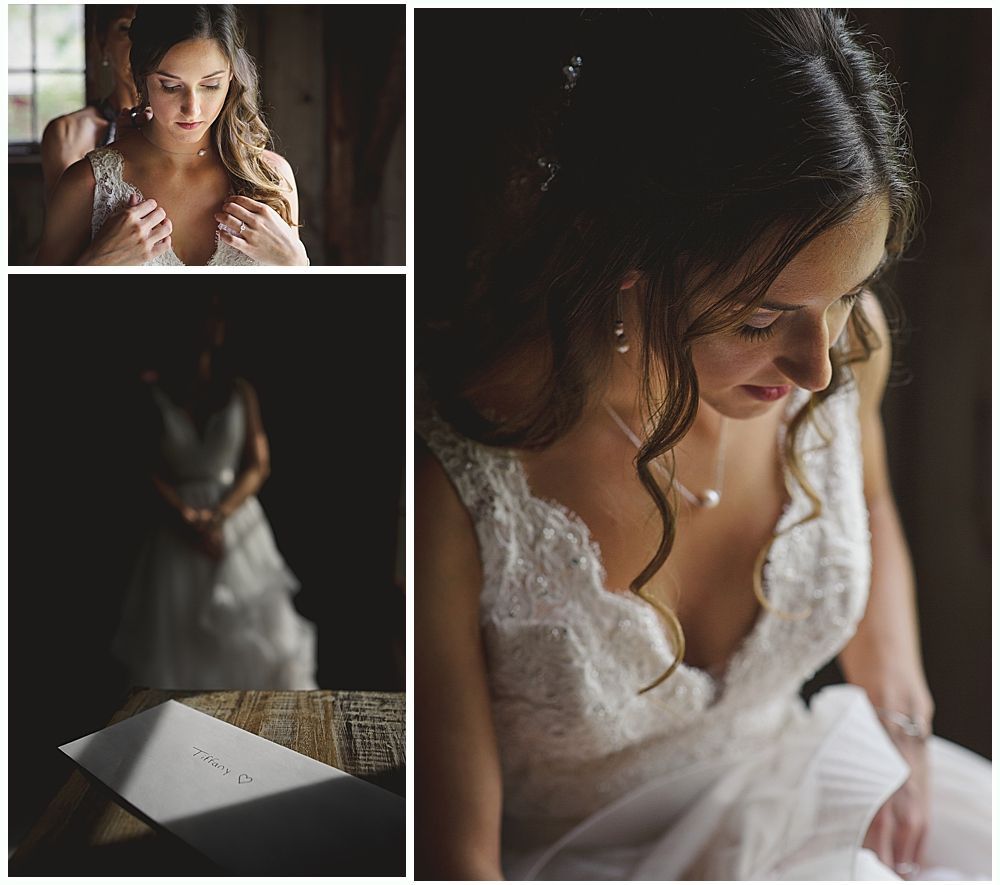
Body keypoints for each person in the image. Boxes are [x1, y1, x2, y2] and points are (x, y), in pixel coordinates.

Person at [415, 10, 990, 881]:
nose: (816, 365)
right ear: (629, 252)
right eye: (761, 319)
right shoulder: (464, 470)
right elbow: (457, 855)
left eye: (847, 294)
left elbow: (865, 504)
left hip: (805, 792)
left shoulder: (845, 350)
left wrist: (901, 713)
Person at [113, 296, 317, 690]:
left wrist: (220, 514)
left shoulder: (240, 391)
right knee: (180, 646)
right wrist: (184, 516)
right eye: (205, 315)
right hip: (175, 526)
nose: (213, 323)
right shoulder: (152, 392)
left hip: (237, 519)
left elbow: (259, 465)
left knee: (255, 642)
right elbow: (141, 467)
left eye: (218, 316)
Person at [36, 5, 307, 266]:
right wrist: (96, 264)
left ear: (232, 77)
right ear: (142, 77)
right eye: (171, 86)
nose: (193, 108)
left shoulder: (270, 178)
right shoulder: (86, 185)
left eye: (211, 85)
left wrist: (296, 263)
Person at [40, 5, 138, 206]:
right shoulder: (67, 133)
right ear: (103, 44)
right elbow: (63, 233)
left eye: (151, 29)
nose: (139, 43)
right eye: (125, 29)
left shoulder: (192, 128)